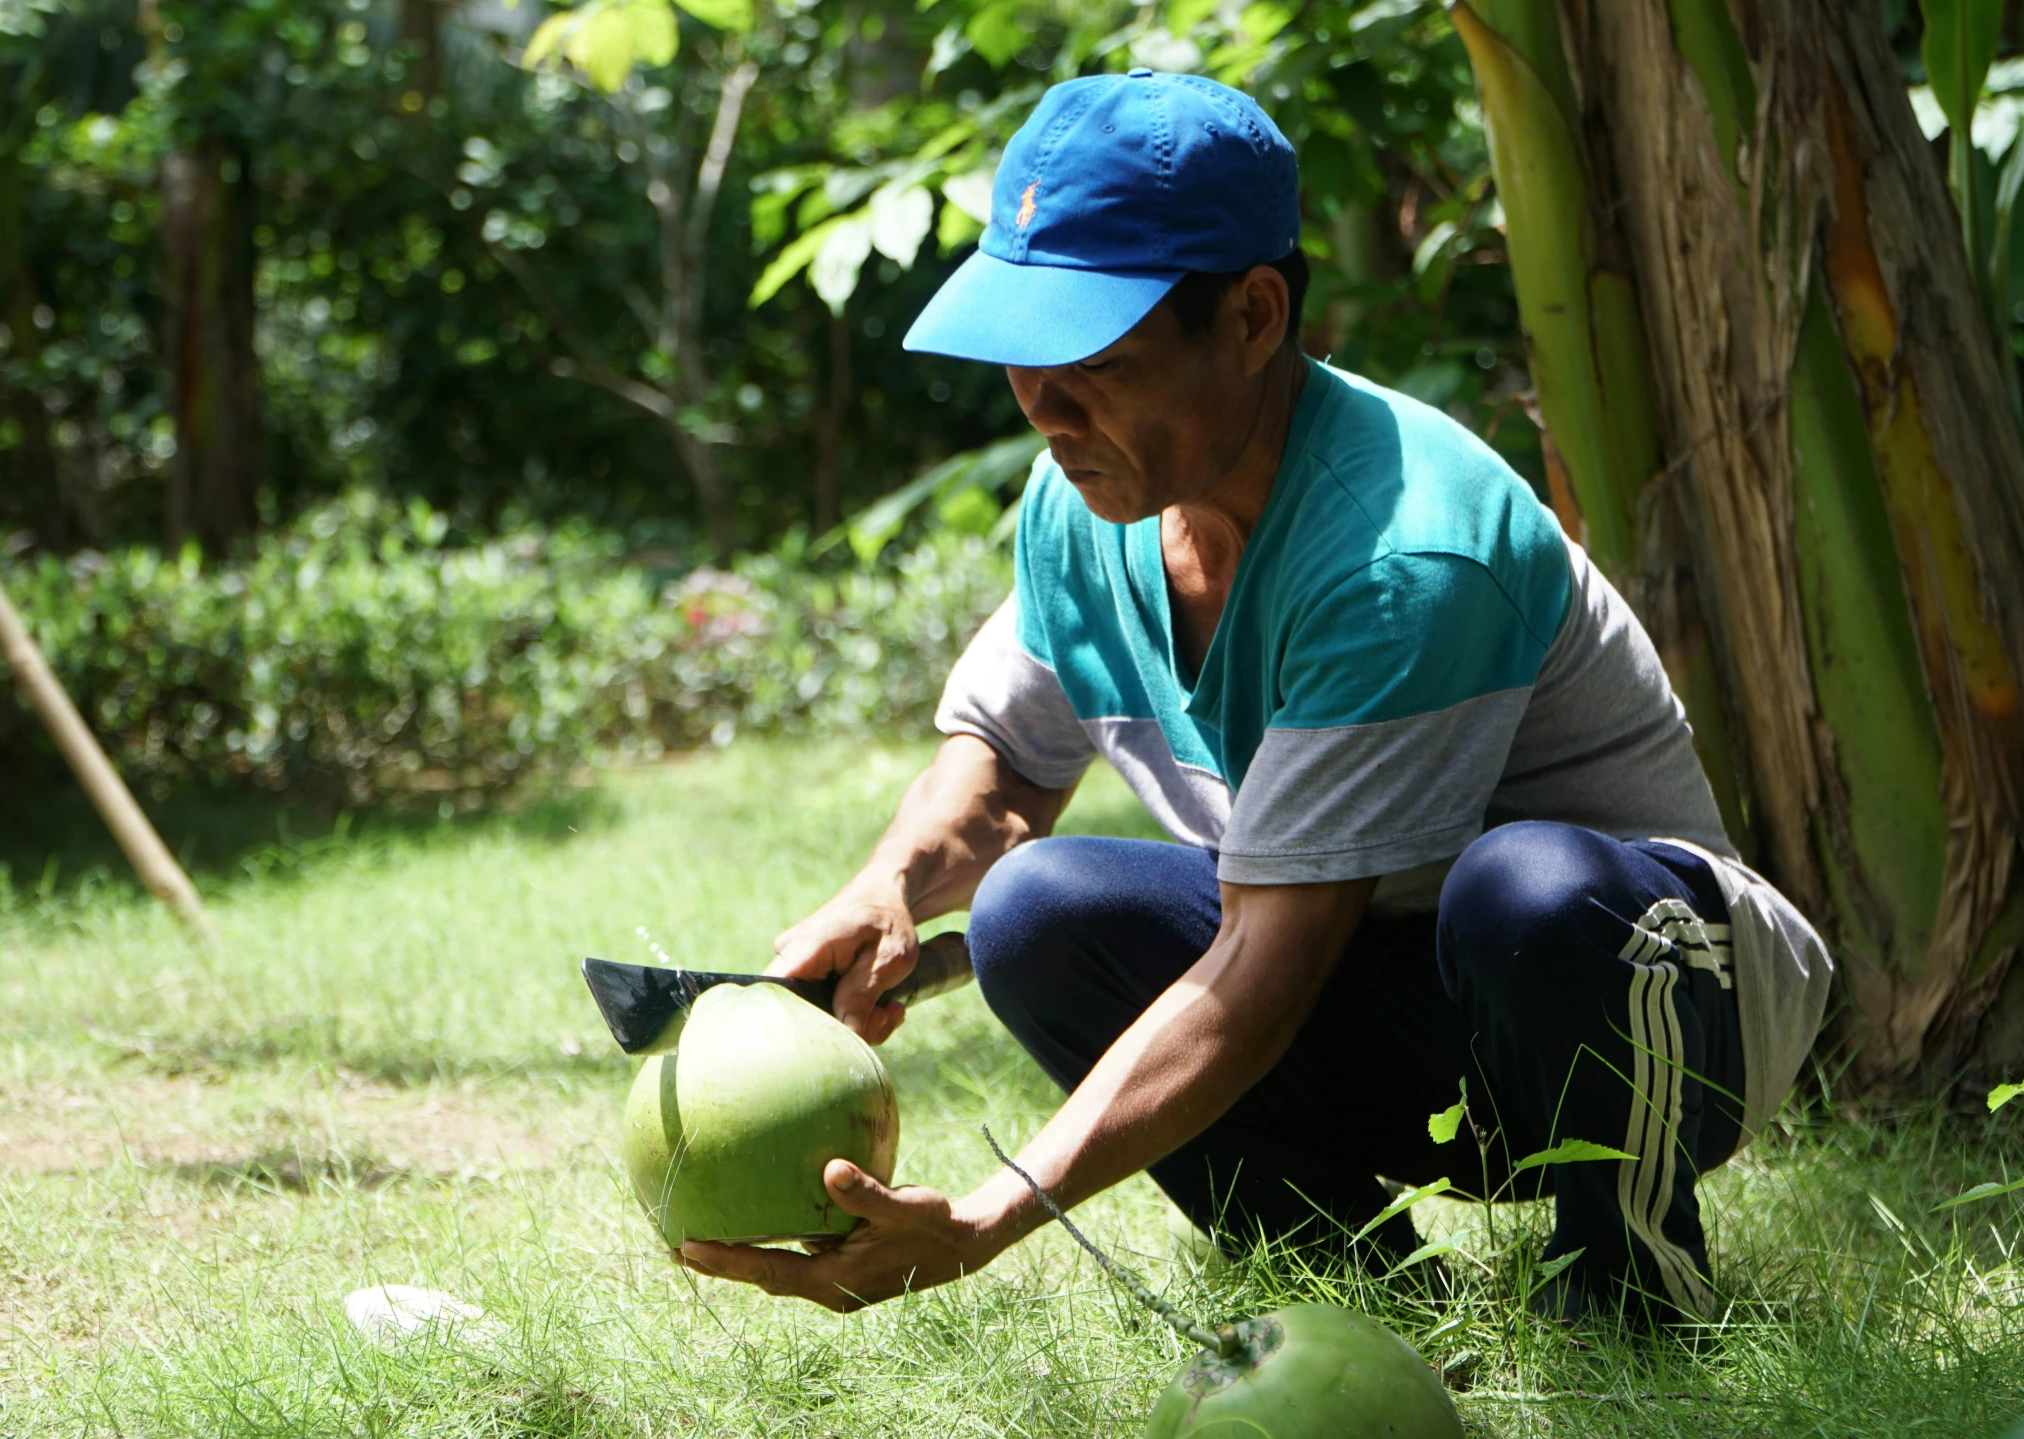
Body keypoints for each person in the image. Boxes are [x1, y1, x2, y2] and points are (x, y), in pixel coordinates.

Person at [678, 70, 1833, 1327]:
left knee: (1530, 889)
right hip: (1386, 985)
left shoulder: (1402, 547)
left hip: (1653, 1005)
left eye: (1095, 365)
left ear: (1252, 314)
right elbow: (1003, 770)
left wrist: (994, 1215)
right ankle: (1359, 1303)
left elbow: (1261, 972)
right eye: (1023, 365)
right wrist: (885, 891)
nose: (1047, 415)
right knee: (1035, 911)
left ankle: (1631, 1292)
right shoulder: (1090, 506)